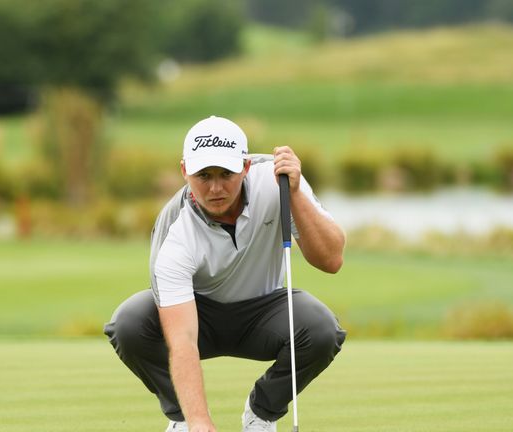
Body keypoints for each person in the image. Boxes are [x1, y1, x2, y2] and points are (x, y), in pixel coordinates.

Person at [104, 116, 347, 432]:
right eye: (203, 175)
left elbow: (331, 260)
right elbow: (182, 340)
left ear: (245, 167)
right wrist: (200, 422)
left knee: (321, 328)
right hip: (198, 315)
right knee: (130, 323)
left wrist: (297, 194)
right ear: (184, 172)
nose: (215, 188)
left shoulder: (279, 182)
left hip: (264, 313)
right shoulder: (174, 232)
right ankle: (182, 420)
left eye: (226, 174)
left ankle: (262, 413)